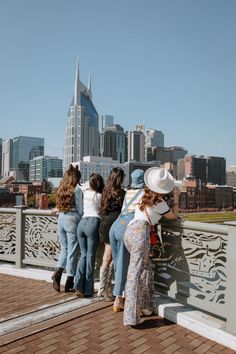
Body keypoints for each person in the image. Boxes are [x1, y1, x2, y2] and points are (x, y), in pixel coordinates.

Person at [123, 167, 179, 327]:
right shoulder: (160, 202)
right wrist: (175, 198)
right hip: (141, 233)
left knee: (146, 268)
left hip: (129, 232)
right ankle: (130, 317)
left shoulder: (142, 195)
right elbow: (174, 216)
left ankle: (147, 306)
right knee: (134, 274)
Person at [109, 169, 145, 312]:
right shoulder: (143, 194)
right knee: (123, 264)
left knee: (118, 263)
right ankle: (118, 298)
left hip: (115, 226)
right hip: (126, 227)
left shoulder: (128, 192)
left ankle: (121, 293)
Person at [51, 164, 83, 293]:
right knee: (73, 252)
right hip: (72, 219)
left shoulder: (62, 188)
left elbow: (61, 205)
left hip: (61, 218)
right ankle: (69, 281)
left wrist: (57, 209)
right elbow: (80, 209)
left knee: (64, 249)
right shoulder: (77, 190)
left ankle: (58, 273)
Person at [74, 173, 104, 298]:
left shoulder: (85, 193)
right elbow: (103, 211)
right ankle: (87, 289)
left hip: (81, 223)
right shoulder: (99, 196)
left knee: (84, 255)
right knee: (90, 256)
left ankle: (78, 285)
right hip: (93, 223)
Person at [98, 167, 126, 301]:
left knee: (106, 258)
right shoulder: (122, 193)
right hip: (115, 225)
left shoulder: (105, 191)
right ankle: (107, 289)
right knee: (113, 258)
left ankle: (103, 288)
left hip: (104, 224)